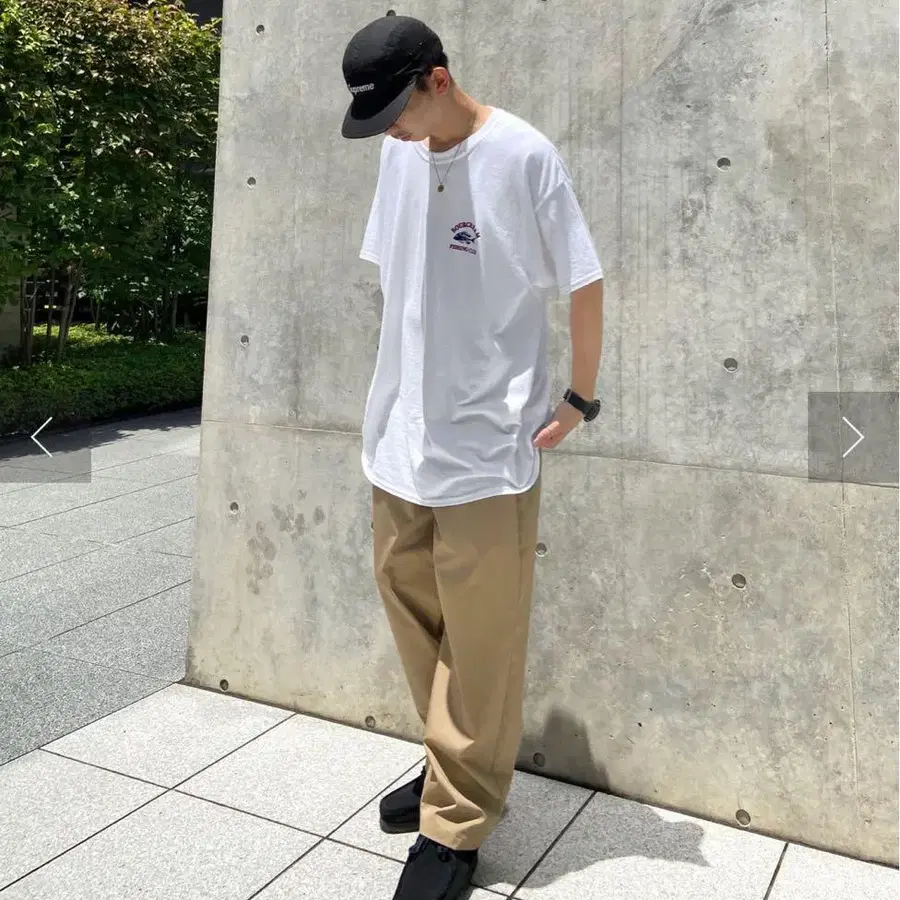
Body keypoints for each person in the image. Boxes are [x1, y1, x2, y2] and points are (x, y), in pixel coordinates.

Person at [341, 13, 604, 900]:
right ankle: (448, 759)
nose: (392, 133)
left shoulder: (523, 155)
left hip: (491, 444)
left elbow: (583, 279)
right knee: (413, 609)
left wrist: (579, 398)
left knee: (482, 638)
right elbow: (402, 284)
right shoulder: (399, 156)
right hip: (401, 437)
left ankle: (454, 824)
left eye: (399, 112)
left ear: (439, 79)